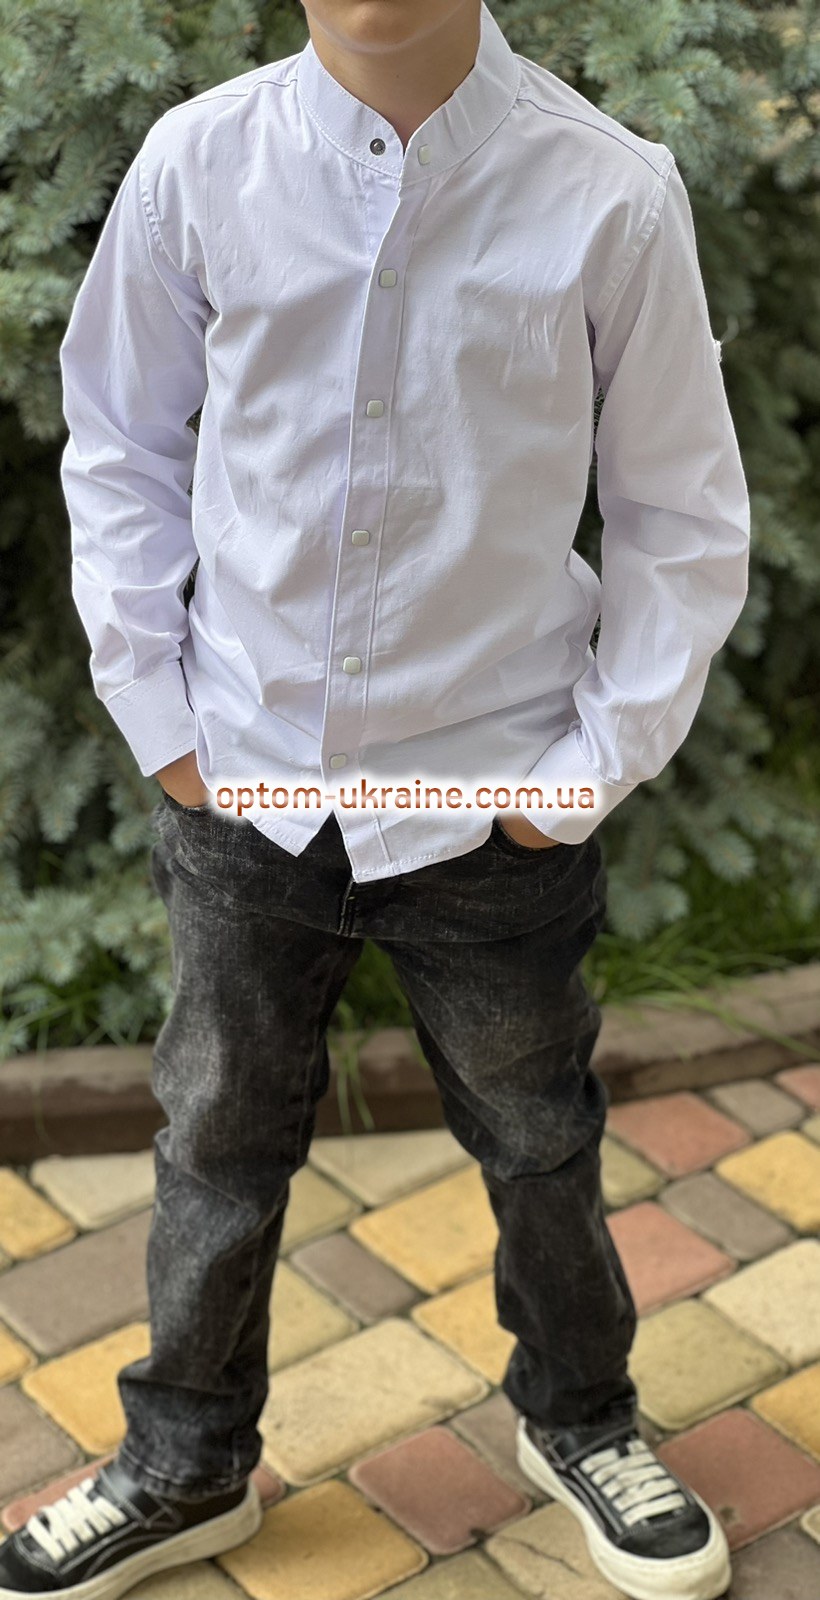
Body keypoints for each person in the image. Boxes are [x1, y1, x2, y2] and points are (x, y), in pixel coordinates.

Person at [3, 1, 748, 1596]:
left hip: (489, 799)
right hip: (244, 785)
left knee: (538, 1135)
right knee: (216, 1138)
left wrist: (578, 778)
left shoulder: (608, 191)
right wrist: (161, 718)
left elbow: (681, 514)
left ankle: (582, 1416)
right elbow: (120, 442)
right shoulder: (200, 162)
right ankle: (185, 1461)